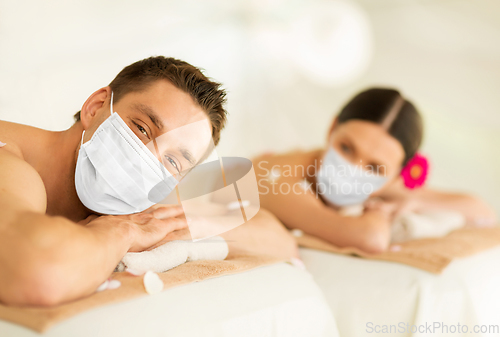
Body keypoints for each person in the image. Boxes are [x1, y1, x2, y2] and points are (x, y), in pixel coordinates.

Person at [0, 56, 296, 307]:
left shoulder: (147, 194)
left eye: (173, 161)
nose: (146, 160)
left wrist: (174, 225)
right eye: (142, 129)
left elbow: (278, 239)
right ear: (96, 106)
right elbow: (38, 270)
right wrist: (120, 232)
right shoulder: (12, 164)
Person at [253, 87, 497, 254]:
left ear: (397, 174)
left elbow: (480, 211)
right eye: (346, 148)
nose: (352, 169)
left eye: (374, 166)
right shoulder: (270, 175)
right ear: (332, 129)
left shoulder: (382, 183)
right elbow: (369, 238)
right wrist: (380, 211)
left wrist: (413, 201)